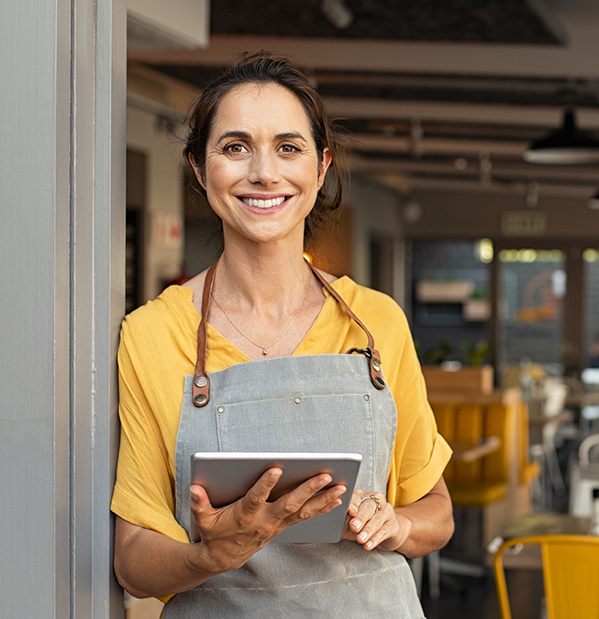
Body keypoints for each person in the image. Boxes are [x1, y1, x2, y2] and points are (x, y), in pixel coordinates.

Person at [111, 53, 453, 617]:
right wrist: (213, 554)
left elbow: (435, 512)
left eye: (288, 148)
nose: (264, 173)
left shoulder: (375, 322)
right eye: (235, 147)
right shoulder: (154, 332)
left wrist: (395, 524)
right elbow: (132, 559)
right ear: (200, 169)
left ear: (320, 170)